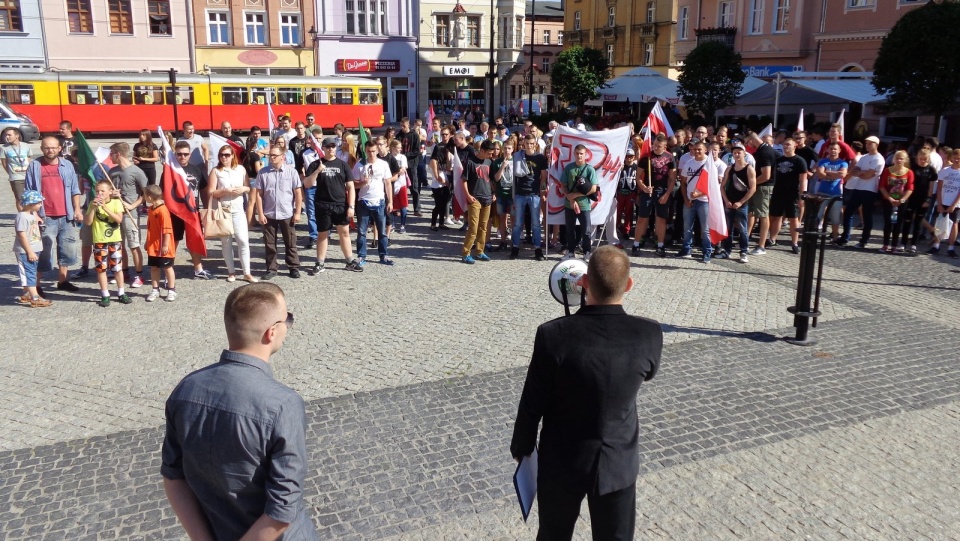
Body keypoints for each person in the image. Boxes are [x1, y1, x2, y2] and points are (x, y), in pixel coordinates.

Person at [510, 245, 662, 541]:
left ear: (583, 283)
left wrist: (522, 448)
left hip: (562, 461)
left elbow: (533, 402)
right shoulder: (649, 334)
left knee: (553, 535)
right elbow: (650, 373)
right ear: (628, 285)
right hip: (618, 461)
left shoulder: (552, 334)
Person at [161, 283, 319, 540]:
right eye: (287, 318)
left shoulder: (186, 389)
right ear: (271, 332)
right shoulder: (283, 404)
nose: (288, 325)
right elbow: (282, 509)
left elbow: (173, 475)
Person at [24, 136, 83, 295]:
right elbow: (29, 192)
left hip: (67, 215)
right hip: (45, 216)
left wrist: (77, 209)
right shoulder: (35, 166)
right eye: (47, 147)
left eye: (53, 147)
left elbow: (75, 190)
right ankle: (36, 284)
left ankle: (63, 280)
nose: (50, 150)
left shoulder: (67, 165)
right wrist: (34, 214)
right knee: (42, 251)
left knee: (67, 249)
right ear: (42, 148)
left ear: (59, 149)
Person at [302, 137, 362, 274]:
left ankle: (349, 261)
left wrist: (351, 206)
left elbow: (351, 187)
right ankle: (320, 263)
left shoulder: (343, 165)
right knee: (323, 234)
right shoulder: (315, 164)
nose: (331, 149)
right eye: (328, 146)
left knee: (345, 233)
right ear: (322, 148)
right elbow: (307, 184)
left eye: (333, 146)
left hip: (340, 204)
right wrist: (317, 171)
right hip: (322, 204)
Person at [209, 143, 256, 283]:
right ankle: (231, 271)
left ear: (232, 156)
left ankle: (247, 272)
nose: (224, 158)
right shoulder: (216, 171)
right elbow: (211, 192)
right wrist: (225, 191)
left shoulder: (240, 169)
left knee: (243, 240)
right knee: (226, 242)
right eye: (221, 155)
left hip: (238, 209)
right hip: (224, 209)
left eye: (227, 155)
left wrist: (243, 189)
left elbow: (248, 187)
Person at [255, 144, 303, 279]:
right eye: (270, 155)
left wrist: (297, 212)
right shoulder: (263, 172)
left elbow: (298, 193)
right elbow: (259, 194)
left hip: (286, 213)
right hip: (269, 213)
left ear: (283, 157)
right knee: (270, 244)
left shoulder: (291, 172)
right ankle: (271, 268)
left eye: (274, 155)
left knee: (290, 242)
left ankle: (293, 267)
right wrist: (260, 213)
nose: (271, 158)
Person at [84, 179, 132, 307]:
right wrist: (93, 208)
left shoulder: (116, 203)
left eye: (102, 191)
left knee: (117, 268)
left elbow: (118, 219)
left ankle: (121, 292)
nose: (99, 193)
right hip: (99, 240)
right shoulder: (92, 204)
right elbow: (88, 222)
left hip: (114, 240)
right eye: (97, 191)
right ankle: (105, 294)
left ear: (110, 192)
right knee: (101, 269)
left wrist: (104, 207)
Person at [108, 142, 149, 288]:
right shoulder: (112, 172)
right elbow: (105, 191)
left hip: (130, 214)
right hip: (115, 213)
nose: (109, 156)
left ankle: (139, 274)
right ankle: (123, 272)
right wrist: (111, 194)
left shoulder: (136, 172)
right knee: (118, 245)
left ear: (118, 154)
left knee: (134, 245)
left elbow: (146, 194)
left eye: (111, 153)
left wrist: (132, 205)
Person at [171, 141, 214, 279]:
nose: (182, 157)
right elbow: (164, 193)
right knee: (173, 241)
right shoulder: (170, 171)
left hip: (193, 211)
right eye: (179, 154)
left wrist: (207, 209)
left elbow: (203, 190)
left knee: (194, 240)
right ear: (175, 154)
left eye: (185, 154)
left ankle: (198, 269)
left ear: (190, 155)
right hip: (175, 212)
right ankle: (168, 270)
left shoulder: (196, 170)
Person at [838, 136, 885, 249]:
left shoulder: (878, 159)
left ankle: (864, 240)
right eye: (867, 143)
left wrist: (861, 173)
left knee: (867, 214)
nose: (867, 145)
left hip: (869, 190)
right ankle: (845, 237)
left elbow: (869, 175)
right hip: (858, 188)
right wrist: (861, 173)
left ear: (876, 145)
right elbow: (854, 170)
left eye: (870, 143)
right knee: (848, 211)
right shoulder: (864, 157)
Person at [635, 135, 677, 257]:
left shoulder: (670, 158)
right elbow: (638, 177)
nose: (656, 148)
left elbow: (672, 178)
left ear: (665, 146)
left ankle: (660, 245)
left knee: (661, 219)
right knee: (642, 218)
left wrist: (667, 194)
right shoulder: (646, 157)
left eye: (659, 146)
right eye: (654, 145)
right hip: (647, 192)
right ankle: (636, 244)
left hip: (662, 192)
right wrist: (643, 187)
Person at [354, 139, 394, 266]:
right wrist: (363, 182)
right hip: (363, 201)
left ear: (377, 151)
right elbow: (353, 184)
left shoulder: (383, 164)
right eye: (368, 151)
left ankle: (383, 255)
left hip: (379, 201)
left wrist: (390, 201)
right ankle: (361, 256)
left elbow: (387, 183)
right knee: (362, 231)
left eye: (373, 151)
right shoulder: (359, 165)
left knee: (382, 231)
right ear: (365, 151)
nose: (371, 154)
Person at [510, 134, 548, 260]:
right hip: (520, 193)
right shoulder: (518, 156)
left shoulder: (540, 158)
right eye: (527, 143)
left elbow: (543, 176)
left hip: (534, 194)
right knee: (518, 223)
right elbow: (513, 177)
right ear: (524, 144)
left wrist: (541, 191)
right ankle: (515, 247)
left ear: (535, 144)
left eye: (532, 143)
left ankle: (537, 248)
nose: (529, 146)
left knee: (536, 223)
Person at [768, 138, 809, 254]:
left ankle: (795, 243)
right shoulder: (779, 159)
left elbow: (803, 180)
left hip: (793, 194)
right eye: (784, 144)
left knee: (793, 218)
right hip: (778, 192)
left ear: (795, 145)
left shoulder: (799, 161)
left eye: (788, 144)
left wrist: (802, 196)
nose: (785, 146)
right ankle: (772, 239)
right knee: (776, 216)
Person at [676, 140, 713, 263]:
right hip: (690, 201)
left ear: (705, 150)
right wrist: (686, 199)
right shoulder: (688, 163)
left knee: (705, 229)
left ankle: (707, 251)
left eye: (699, 149)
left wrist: (699, 194)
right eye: (694, 149)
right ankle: (686, 249)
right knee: (687, 227)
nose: (696, 152)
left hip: (704, 201)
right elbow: (683, 184)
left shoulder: (710, 164)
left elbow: (713, 186)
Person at [13, 190, 52, 308]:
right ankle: (35, 297)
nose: (41, 205)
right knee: (29, 273)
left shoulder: (31, 215)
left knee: (32, 271)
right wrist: (29, 251)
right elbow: (22, 235)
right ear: (30, 204)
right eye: (39, 203)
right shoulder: (22, 217)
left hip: (35, 248)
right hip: (26, 251)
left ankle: (26, 292)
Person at [460, 139, 496, 264]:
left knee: (483, 227)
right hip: (474, 198)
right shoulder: (470, 162)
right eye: (489, 153)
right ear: (482, 150)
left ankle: (480, 251)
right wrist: (468, 196)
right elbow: (463, 180)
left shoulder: (489, 162)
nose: (491, 156)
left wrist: (494, 193)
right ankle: (466, 253)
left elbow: (491, 180)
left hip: (487, 198)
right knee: (473, 228)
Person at [719, 142, 756, 262]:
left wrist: (741, 202)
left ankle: (744, 252)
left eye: (739, 152)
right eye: (735, 152)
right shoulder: (729, 169)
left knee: (742, 229)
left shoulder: (749, 169)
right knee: (728, 228)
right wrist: (726, 200)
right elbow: (722, 186)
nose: (737, 154)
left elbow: (752, 188)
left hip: (742, 204)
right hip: (729, 203)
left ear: (744, 153)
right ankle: (727, 250)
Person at [561, 144, 599, 261]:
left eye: (581, 154)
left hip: (584, 205)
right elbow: (563, 185)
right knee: (569, 229)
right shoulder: (569, 168)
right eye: (577, 153)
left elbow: (593, 188)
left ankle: (587, 251)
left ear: (585, 154)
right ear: (574, 154)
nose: (579, 156)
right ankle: (571, 252)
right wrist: (571, 199)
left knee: (586, 230)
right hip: (569, 204)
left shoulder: (589, 169)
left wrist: (576, 195)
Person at [143, 185, 178, 302]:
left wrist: (165, 245)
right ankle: (155, 289)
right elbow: (149, 227)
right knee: (154, 268)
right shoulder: (150, 209)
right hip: (153, 246)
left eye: (144, 195)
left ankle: (172, 290)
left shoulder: (163, 210)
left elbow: (167, 229)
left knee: (167, 268)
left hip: (163, 245)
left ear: (149, 197)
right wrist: (147, 241)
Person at [747, 131, 778, 255]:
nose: (747, 145)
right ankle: (747, 238)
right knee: (752, 212)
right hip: (759, 186)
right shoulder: (761, 151)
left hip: (764, 187)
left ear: (751, 140)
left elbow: (766, 175)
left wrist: (752, 183)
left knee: (763, 215)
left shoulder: (765, 152)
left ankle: (761, 245)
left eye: (747, 142)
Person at [878, 150, 915, 253]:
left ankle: (894, 245)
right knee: (888, 223)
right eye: (897, 158)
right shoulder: (887, 171)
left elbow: (910, 188)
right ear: (894, 159)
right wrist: (889, 198)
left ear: (905, 160)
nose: (899, 160)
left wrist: (902, 200)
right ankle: (885, 244)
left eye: (901, 158)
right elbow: (882, 186)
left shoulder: (909, 172)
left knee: (898, 224)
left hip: (902, 202)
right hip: (888, 200)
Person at [928, 148, 960, 258]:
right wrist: (940, 203)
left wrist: (953, 205)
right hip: (943, 200)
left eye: (959, 159)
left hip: (954, 203)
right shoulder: (945, 171)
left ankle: (951, 248)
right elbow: (940, 188)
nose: (957, 161)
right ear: (952, 158)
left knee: (954, 224)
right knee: (938, 223)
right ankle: (936, 245)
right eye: (955, 158)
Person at [815, 142, 848, 244]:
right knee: (818, 215)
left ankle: (835, 237)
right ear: (827, 150)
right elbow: (820, 175)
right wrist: (835, 174)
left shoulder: (843, 163)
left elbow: (842, 174)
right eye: (831, 149)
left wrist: (827, 172)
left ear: (839, 151)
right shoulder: (822, 161)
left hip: (836, 194)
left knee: (835, 217)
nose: (833, 151)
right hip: (822, 192)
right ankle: (814, 235)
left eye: (835, 149)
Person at [428, 128, 453, 231]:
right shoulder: (438, 148)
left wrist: (448, 160)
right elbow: (434, 163)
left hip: (445, 177)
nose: (444, 136)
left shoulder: (450, 146)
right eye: (442, 134)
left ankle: (441, 223)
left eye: (446, 134)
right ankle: (433, 224)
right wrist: (440, 178)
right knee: (438, 204)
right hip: (438, 181)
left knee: (444, 202)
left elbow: (447, 165)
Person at [2, 127, 31, 211]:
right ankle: (22, 215)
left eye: (9, 135)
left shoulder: (26, 146)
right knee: (20, 198)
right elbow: (4, 163)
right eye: (6, 135)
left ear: (17, 136)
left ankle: (30, 215)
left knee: (30, 197)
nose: (7, 137)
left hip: (28, 176)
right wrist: (11, 173)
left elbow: (29, 158)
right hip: (15, 177)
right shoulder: (4, 148)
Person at [398, 117, 422, 216]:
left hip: (411, 164)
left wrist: (405, 155)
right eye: (401, 126)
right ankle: (398, 207)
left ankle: (417, 208)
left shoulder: (414, 135)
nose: (402, 128)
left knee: (414, 187)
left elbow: (417, 151)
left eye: (404, 126)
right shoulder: (399, 135)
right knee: (399, 186)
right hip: (401, 164)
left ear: (408, 125)